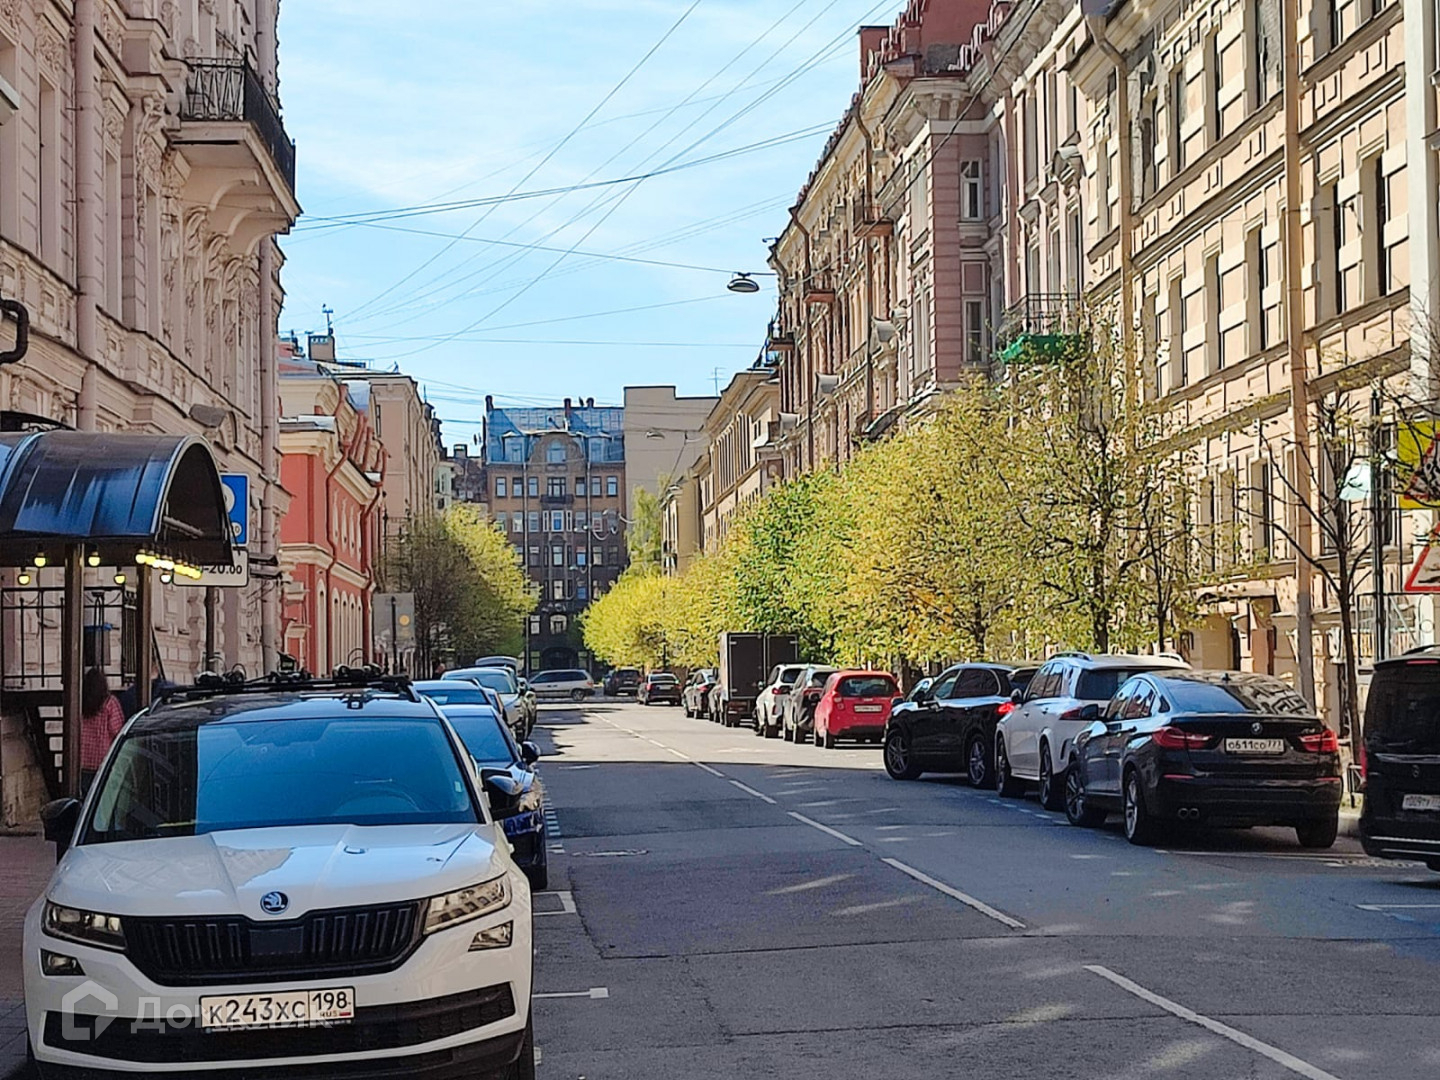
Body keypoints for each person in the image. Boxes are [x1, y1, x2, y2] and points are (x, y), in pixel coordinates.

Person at [80, 667, 126, 794]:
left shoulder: (80, 704)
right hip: (103, 762)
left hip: (83, 761)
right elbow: (117, 731)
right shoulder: (110, 703)